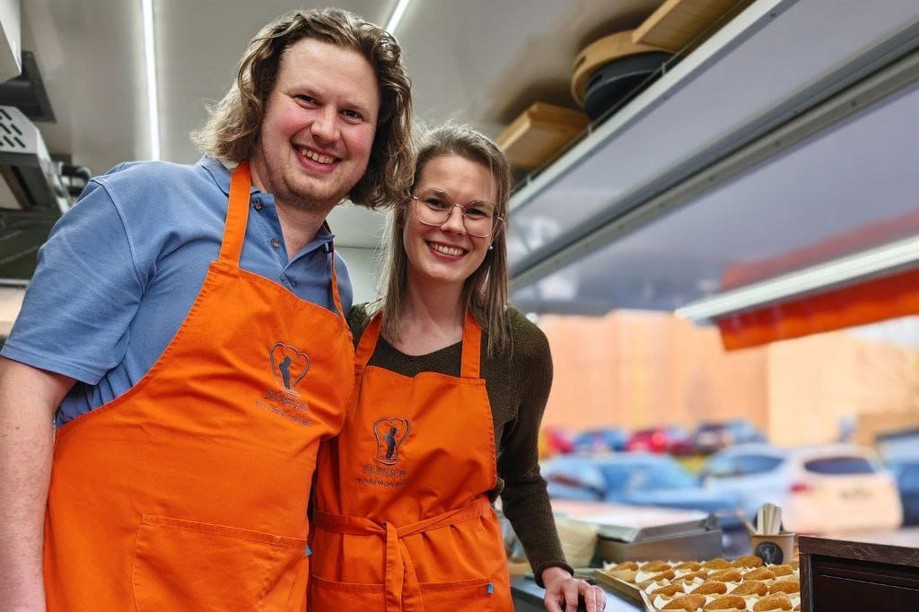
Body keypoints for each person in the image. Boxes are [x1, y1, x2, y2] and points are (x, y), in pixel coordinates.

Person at [0, 8, 413, 610]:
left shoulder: (335, 287)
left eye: (352, 114)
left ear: (374, 140)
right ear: (261, 102)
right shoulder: (146, 202)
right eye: (306, 99)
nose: (327, 129)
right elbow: (24, 395)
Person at [309, 124, 606, 612]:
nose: (453, 225)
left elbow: (522, 476)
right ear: (405, 208)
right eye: (436, 202)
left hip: (462, 590)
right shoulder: (343, 332)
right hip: (346, 586)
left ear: (494, 230)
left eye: (475, 211)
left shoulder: (519, 348)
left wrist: (555, 572)